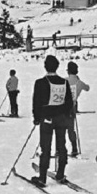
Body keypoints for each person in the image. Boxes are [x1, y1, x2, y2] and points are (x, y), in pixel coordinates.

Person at [31, 55, 74, 186]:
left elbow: (36, 102)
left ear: (45, 66)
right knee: (61, 147)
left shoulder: (40, 82)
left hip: (47, 118)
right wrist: (66, 116)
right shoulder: (64, 82)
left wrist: (36, 117)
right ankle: (60, 173)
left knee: (46, 147)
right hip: (61, 118)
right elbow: (69, 102)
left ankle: (42, 177)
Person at [65, 62, 91, 156]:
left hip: (62, 107)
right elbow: (87, 88)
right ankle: (74, 147)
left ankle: (59, 149)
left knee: (60, 128)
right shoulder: (79, 83)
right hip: (72, 107)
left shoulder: (64, 80)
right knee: (71, 129)